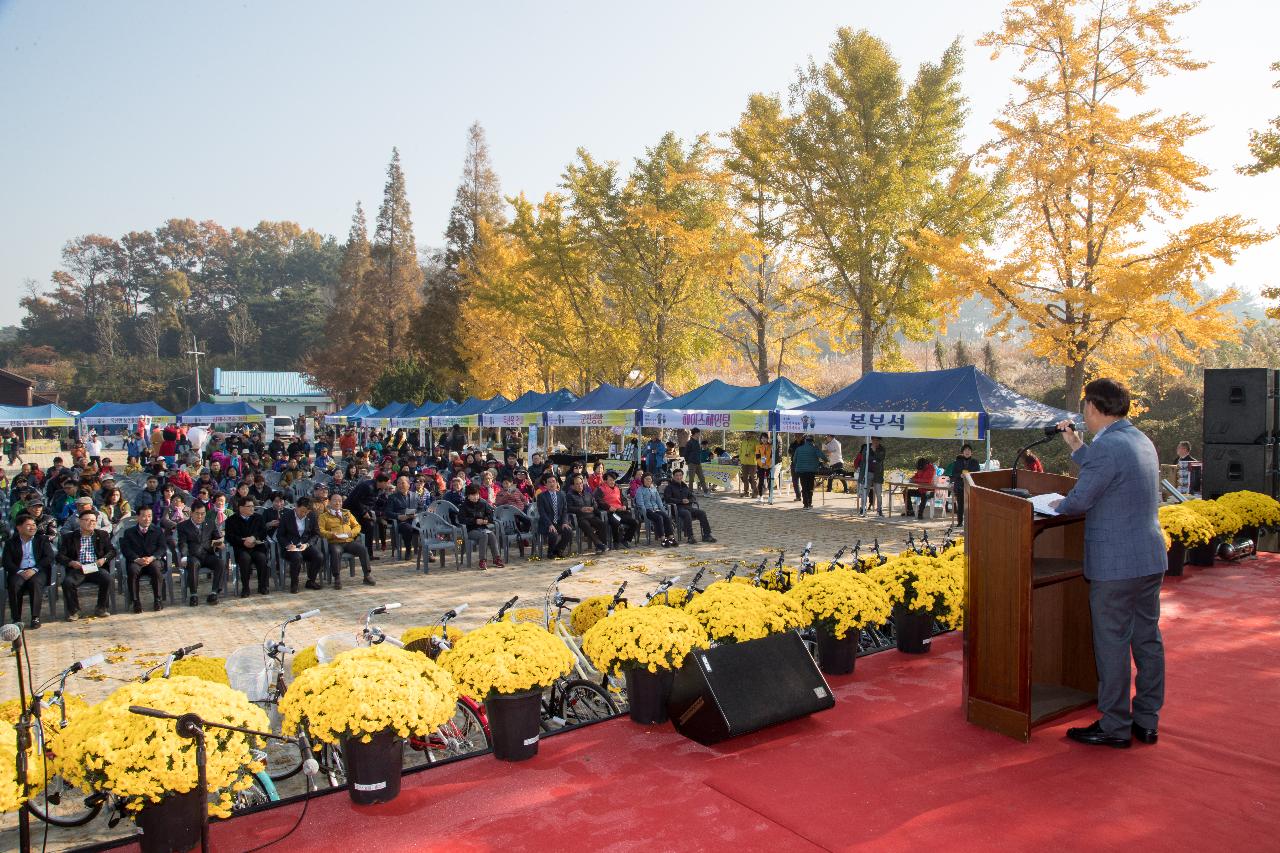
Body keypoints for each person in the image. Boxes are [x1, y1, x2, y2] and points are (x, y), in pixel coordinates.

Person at [1053, 378, 1166, 749]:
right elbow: (1113, 473)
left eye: (1085, 406)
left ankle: (1115, 725)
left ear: (1093, 408)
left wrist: (1056, 504)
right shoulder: (1138, 439)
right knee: (1147, 639)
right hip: (1148, 558)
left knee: (1113, 643)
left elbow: (1080, 500)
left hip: (1116, 568)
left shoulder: (1108, 447)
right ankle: (1146, 720)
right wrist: (1076, 447)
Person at [58, 508, 116, 620]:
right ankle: (74, 611)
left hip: (95, 567)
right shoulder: (69, 537)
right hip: (78, 568)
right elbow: (60, 556)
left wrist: (103, 559)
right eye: (88, 520)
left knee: (107, 579)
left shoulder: (102, 535)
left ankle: (101, 608)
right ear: (80, 521)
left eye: (94, 521)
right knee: (68, 583)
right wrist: (71, 562)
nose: (91, 523)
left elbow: (112, 551)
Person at [4, 513, 54, 627]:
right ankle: (16, 619)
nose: (33, 527)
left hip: (37, 571)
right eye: (28, 525)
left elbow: (49, 557)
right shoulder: (10, 542)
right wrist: (20, 571)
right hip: (19, 571)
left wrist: (35, 569)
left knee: (35, 583)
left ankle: (35, 617)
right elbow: (7, 562)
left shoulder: (42, 539)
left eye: (34, 524)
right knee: (14, 584)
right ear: (19, 527)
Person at [318, 492, 373, 587]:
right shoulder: (324, 516)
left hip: (348, 541)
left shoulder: (346, 513)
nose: (337, 503)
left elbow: (357, 526)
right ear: (329, 503)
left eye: (340, 501)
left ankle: (367, 575)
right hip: (335, 542)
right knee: (336, 551)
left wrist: (351, 533)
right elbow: (320, 531)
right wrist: (331, 534)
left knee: (363, 549)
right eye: (335, 501)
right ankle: (337, 578)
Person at [177, 502, 225, 606]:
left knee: (220, 563)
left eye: (202, 514)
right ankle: (193, 595)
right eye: (197, 513)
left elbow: (217, 537)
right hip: (193, 556)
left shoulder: (210, 523)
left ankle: (214, 593)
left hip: (208, 555)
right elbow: (182, 543)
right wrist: (184, 556)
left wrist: (220, 543)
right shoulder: (183, 526)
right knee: (193, 564)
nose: (200, 516)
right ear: (191, 513)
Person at [122, 505, 167, 613]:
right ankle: (136, 601)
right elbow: (126, 549)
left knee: (156, 569)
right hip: (136, 561)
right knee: (132, 570)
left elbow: (162, 548)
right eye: (144, 516)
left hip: (153, 560)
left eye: (149, 516)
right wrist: (136, 559)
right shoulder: (129, 532)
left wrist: (152, 558)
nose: (147, 519)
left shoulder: (157, 530)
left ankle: (158, 599)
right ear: (137, 517)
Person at [224, 497, 271, 597]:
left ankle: (262, 586)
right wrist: (243, 541)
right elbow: (229, 536)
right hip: (241, 548)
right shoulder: (231, 520)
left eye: (253, 506)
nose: (252, 509)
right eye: (249, 506)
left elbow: (263, 532)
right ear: (241, 508)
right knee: (245, 559)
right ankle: (245, 588)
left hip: (256, 547)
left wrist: (254, 538)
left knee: (262, 558)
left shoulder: (258, 518)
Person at [279, 496, 326, 592]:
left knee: (319, 556)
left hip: (305, 545)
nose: (304, 514)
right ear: (296, 506)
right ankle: (294, 583)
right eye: (302, 511)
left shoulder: (312, 516)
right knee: (297, 557)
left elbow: (316, 534)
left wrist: (308, 544)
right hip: (291, 547)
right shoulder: (286, 516)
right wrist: (287, 544)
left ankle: (311, 581)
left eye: (306, 512)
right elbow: (280, 535)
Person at [663, 468, 716, 544]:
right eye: (676, 476)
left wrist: (689, 500)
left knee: (702, 513)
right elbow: (668, 499)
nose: (678, 477)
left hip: (688, 507)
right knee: (686, 514)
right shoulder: (669, 487)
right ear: (673, 477)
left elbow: (692, 497)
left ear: (682, 476)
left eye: (680, 475)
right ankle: (690, 537)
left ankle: (707, 535)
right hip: (677, 509)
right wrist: (681, 501)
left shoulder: (685, 487)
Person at [459, 484, 503, 569]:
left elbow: (490, 514)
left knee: (492, 535)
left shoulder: (483, 503)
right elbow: (462, 520)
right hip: (470, 530)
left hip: (482, 528)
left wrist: (486, 519)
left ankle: (496, 558)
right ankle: (482, 560)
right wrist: (474, 521)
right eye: (473, 495)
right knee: (484, 536)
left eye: (477, 494)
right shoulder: (464, 506)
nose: (476, 497)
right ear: (468, 496)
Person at [384, 476, 423, 561]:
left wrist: (416, 515)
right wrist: (398, 516)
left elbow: (421, 509)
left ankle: (428, 551)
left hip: (415, 521)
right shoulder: (393, 497)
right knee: (407, 528)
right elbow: (387, 512)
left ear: (408, 485)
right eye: (398, 483)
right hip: (402, 523)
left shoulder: (415, 496)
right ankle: (408, 550)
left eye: (402, 483)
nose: (400, 485)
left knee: (424, 526)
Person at [535, 474, 574, 559]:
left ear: (557, 483)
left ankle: (559, 550)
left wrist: (564, 522)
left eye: (554, 481)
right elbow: (542, 513)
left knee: (569, 531)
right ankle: (550, 552)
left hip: (559, 522)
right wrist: (550, 524)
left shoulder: (562, 495)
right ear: (545, 484)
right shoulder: (541, 496)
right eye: (549, 482)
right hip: (546, 524)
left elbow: (565, 510)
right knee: (553, 534)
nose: (552, 484)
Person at [595, 471, 638, 547]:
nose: (612, 482)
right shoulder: (600, 489)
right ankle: (616, 542)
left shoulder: (617, 488)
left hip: (620, 511)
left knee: (634, 522)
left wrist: (624, 505)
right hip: (611, 513)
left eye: (614, 480)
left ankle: (625, 540)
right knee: (616, 522)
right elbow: (599, 501)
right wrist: (608, 507)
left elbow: (623, 499)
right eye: (610, 480)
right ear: (605, 480)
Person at [566, 474, 607, 554]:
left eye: (581, 483)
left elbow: (595, 504)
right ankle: (599, 544)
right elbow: (569, 508)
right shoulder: (570, 495)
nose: (579, 485)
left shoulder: (588, 493)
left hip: (591, 516)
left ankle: (602, 545)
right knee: (586, 525)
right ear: (573, 486)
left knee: (602, 524)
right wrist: (580, 509)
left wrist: (593, 508)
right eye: (577, 484)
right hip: (579, 518)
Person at [635, 472, 676, 547]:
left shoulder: (653, 489)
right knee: (659, 518)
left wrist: (663, 511)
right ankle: (663, 539)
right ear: (643, 480)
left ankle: (671, 537)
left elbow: (659, 501)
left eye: (649, 479)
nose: (648, 481)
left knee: (666, 517)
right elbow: (640, 504)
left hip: (656, 509)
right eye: (646, 479)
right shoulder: (640, 490)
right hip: (647, 510)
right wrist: (644, 513)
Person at [947, 444, 982, 525]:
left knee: (971, 506)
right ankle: (959, 522)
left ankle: (970, 522)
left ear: (971, 452)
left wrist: (969, 475)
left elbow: (978, 474)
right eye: (965, 450)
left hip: (971, 486)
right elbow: (953, 474)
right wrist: (960, 475)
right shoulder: (957, 462)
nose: (967, 452)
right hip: (960, 486)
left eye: (969, 450)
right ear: (962, 452)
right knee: (960, 505)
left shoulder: (975, 462)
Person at [854, 437, 886, 517]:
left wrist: (874, 453)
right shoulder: (866, 447)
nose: (876, 442)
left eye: (877, 440)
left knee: (879, 493)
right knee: (865, 492)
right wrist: (873, 457)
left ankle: (879, 510)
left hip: (878, 473)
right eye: (874, 440)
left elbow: (880, 458)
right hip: (867, 473)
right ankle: (862, 509)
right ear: (872, 440)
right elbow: (865, 458)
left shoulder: (882, 449)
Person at [791, 435, 821, 510]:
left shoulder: (798, 449)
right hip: (811, 471)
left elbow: (794, 460)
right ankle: (809, 503)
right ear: (812, 441)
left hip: (801, 470)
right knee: (810, 487)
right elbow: (823, 456)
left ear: (805, 441)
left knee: (804, 486)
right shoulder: (814, 448)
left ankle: (805, 504)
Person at [682, 428, 709, 494]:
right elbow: (686, 453)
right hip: (692, 463)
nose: (700, 434)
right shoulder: (689, 442)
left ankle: (706, 491)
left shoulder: (697, 442)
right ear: (696, 433)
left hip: (698, 462)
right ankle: (690, 492)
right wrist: (688, 462)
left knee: (702, 478)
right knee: (691, 479)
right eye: (699, 433)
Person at [738, 434, 759, 498]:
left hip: (752, 462)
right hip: (744, 462)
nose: (747, 434)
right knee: (744, 478)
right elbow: (740, 451)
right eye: (746, 432)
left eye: (749, 432)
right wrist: (740, 459)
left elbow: (758, 452)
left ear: (752, 433)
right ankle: (746, 492)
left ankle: (755, 493)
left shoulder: (755, 441)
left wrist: (751, 454)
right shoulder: (743, 441)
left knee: (753, 478)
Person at [754, 433, 773, 503]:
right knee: (761, 481)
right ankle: (760, 496)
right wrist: (762, 465)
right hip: (761, 466)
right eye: (762, 438)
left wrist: (768, 465)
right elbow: (757, 457)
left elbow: (771, 457)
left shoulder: (771, 446)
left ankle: (770, 496)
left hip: (769, 466)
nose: (763, 439)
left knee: (770, 480)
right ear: (760, 439)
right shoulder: (758, 446)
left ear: (767, 439)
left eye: (765, 438)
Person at [787, 435, 805, 501]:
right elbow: (789, 452)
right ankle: (798, 496)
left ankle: (804, 495)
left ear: (802, 436)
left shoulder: (805, 443)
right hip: (794, 463)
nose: (797, 437)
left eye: (799, 435)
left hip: (803, 464)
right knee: (795, 481)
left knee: (803, 481)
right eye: (796, 436)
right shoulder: (793, 444)